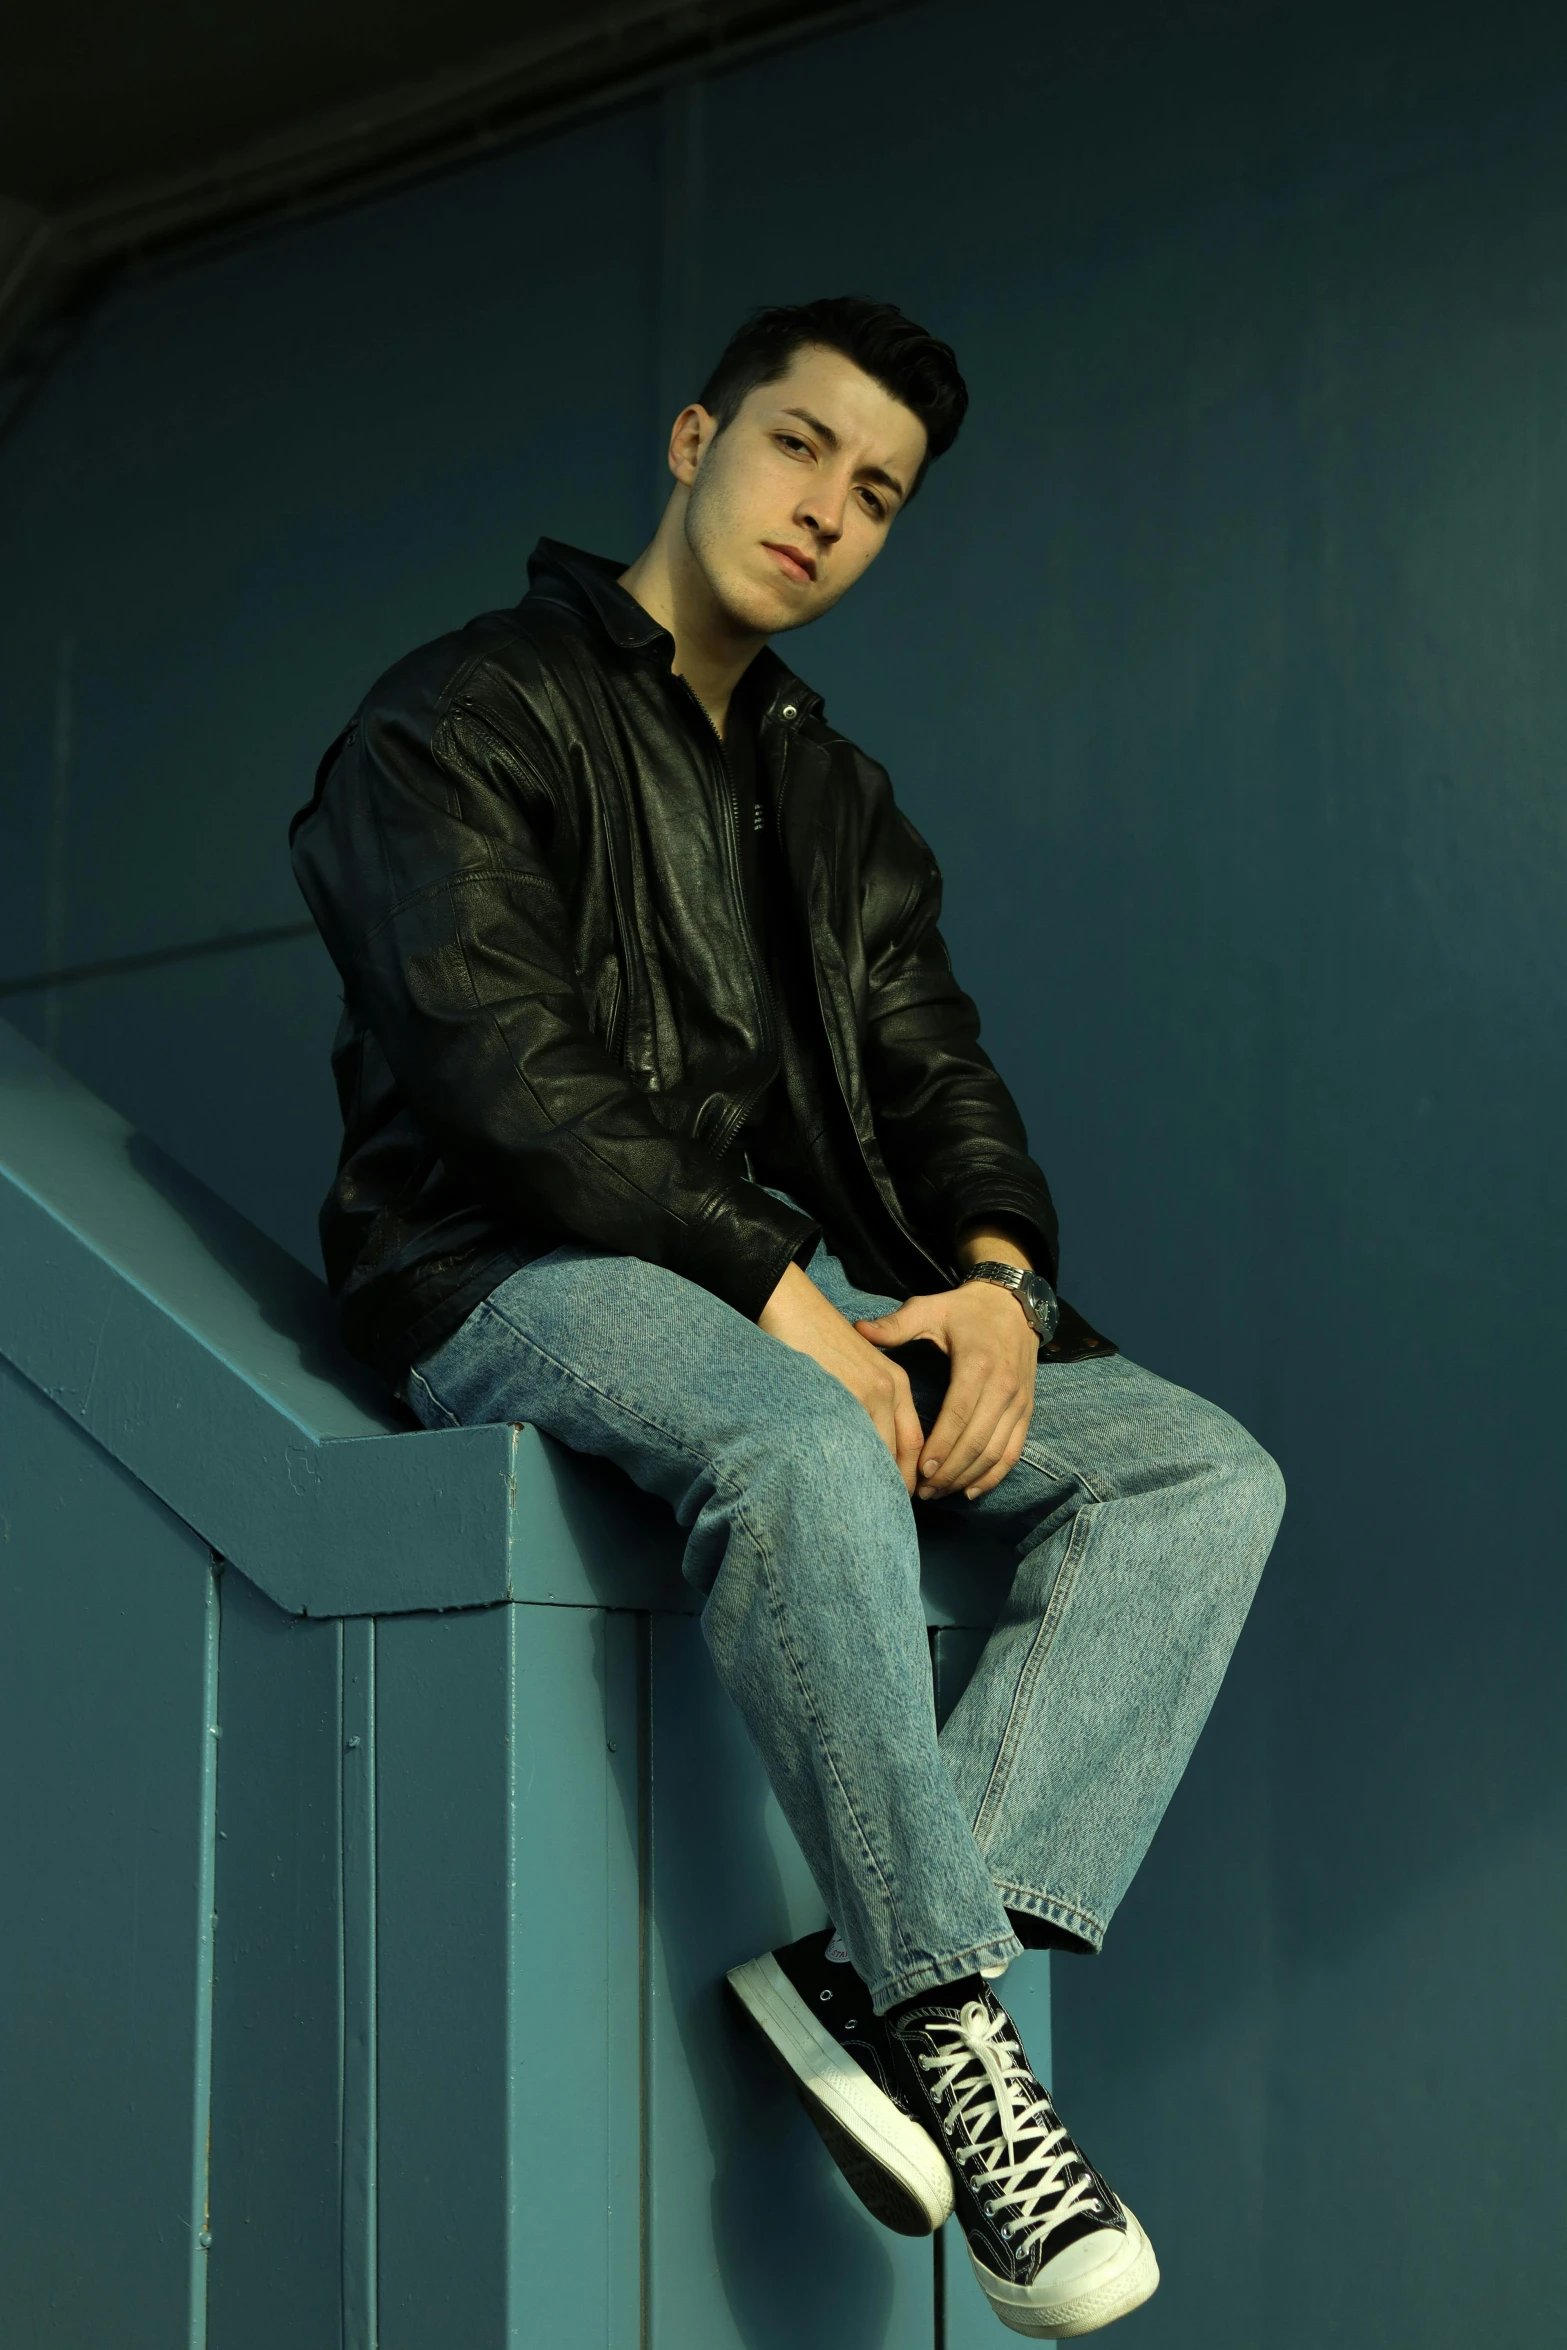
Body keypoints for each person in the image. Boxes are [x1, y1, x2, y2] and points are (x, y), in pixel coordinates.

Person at [288, 295, 1284, 2338]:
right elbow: (500, 1069)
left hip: (793, 1276)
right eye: (800, 446)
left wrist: (1000, 1286)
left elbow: (937, 1072)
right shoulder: (459, 715)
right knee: (801, 1422)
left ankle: (850, 1969)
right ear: (692, 435)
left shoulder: (840, 801)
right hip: (503, 1267)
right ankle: (952, 2031)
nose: (827, 508)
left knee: (1200, 1467)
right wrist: (780, 1300)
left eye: (879, 491)